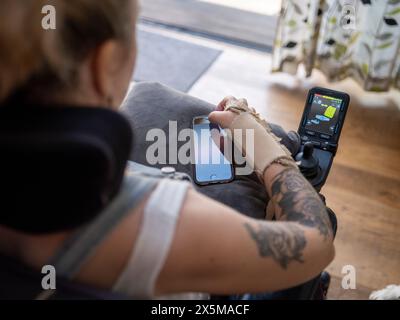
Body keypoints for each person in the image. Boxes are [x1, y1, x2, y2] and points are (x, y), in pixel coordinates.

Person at [0, 0, 334, 299]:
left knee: (149, 95)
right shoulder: (151, 219)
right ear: (107, 62)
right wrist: (271, 154)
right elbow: (316, 243)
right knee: (319, 203)